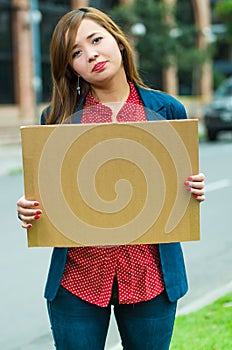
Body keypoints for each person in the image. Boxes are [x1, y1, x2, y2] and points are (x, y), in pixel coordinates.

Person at [17, 7, 205, 350]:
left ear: (118, 41)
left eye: (96, 40)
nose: (90, 54)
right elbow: (49, 194)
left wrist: (192, 188)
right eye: (76, 52)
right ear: (70, 67)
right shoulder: (58, 119)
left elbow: (180, 185)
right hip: (78, 278)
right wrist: (29, 208)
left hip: (151, 277)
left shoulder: (167, 111)